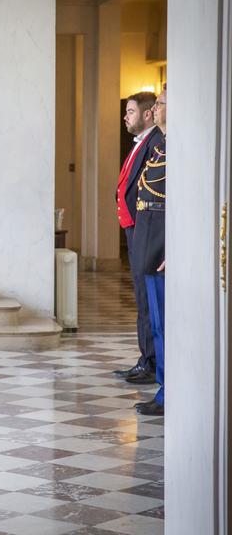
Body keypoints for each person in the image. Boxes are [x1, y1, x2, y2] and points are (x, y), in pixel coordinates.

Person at [112, 92, 163, 384]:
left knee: (147, 298)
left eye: (130, 111)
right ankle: (146, 358)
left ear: (146, 114)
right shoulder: (142, 142)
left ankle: (151, 363)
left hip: (145, 229)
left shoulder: (156, 142)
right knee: (141, 298)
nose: (125, 116)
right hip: (134, 229)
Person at [132, 86, 167, 416]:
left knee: (165, 323)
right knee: (156, 321)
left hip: (162, 245)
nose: (155, 108)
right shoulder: (160, 149)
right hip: (149, 240)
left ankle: (167, 391)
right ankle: (162, 387)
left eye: (162, 103)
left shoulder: (174, 148)